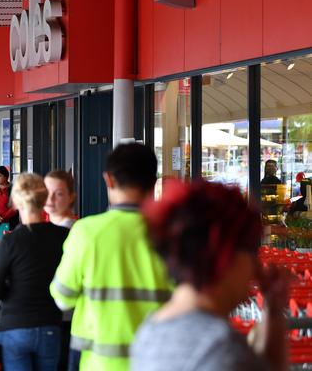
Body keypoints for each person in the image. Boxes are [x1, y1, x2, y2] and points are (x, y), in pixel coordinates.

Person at [131, 180, 288, 371]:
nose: (256, 268)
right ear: (226, 255)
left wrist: (273, 310)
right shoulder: (222, 350)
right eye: (251, 251)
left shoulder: (149, 332)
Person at [50, 143, 172, 371]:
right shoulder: (172, 234)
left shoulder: (86, 232)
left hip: (98, 362)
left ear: (109, 180)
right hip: (159, 361)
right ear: (153, 183)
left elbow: (62, 298)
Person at [0, 173, 69, 371]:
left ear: (15, 202)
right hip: (51, 323)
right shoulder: (64, 237)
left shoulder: (9, 242)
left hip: (14, 326)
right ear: (44, 199)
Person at [44, 170, 78, 369]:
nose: (50, 199)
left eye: (58, 193)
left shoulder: (75, 232)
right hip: (47, 317)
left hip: (67, 318)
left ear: (71, 197)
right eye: (47, 192)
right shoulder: (43, 230)